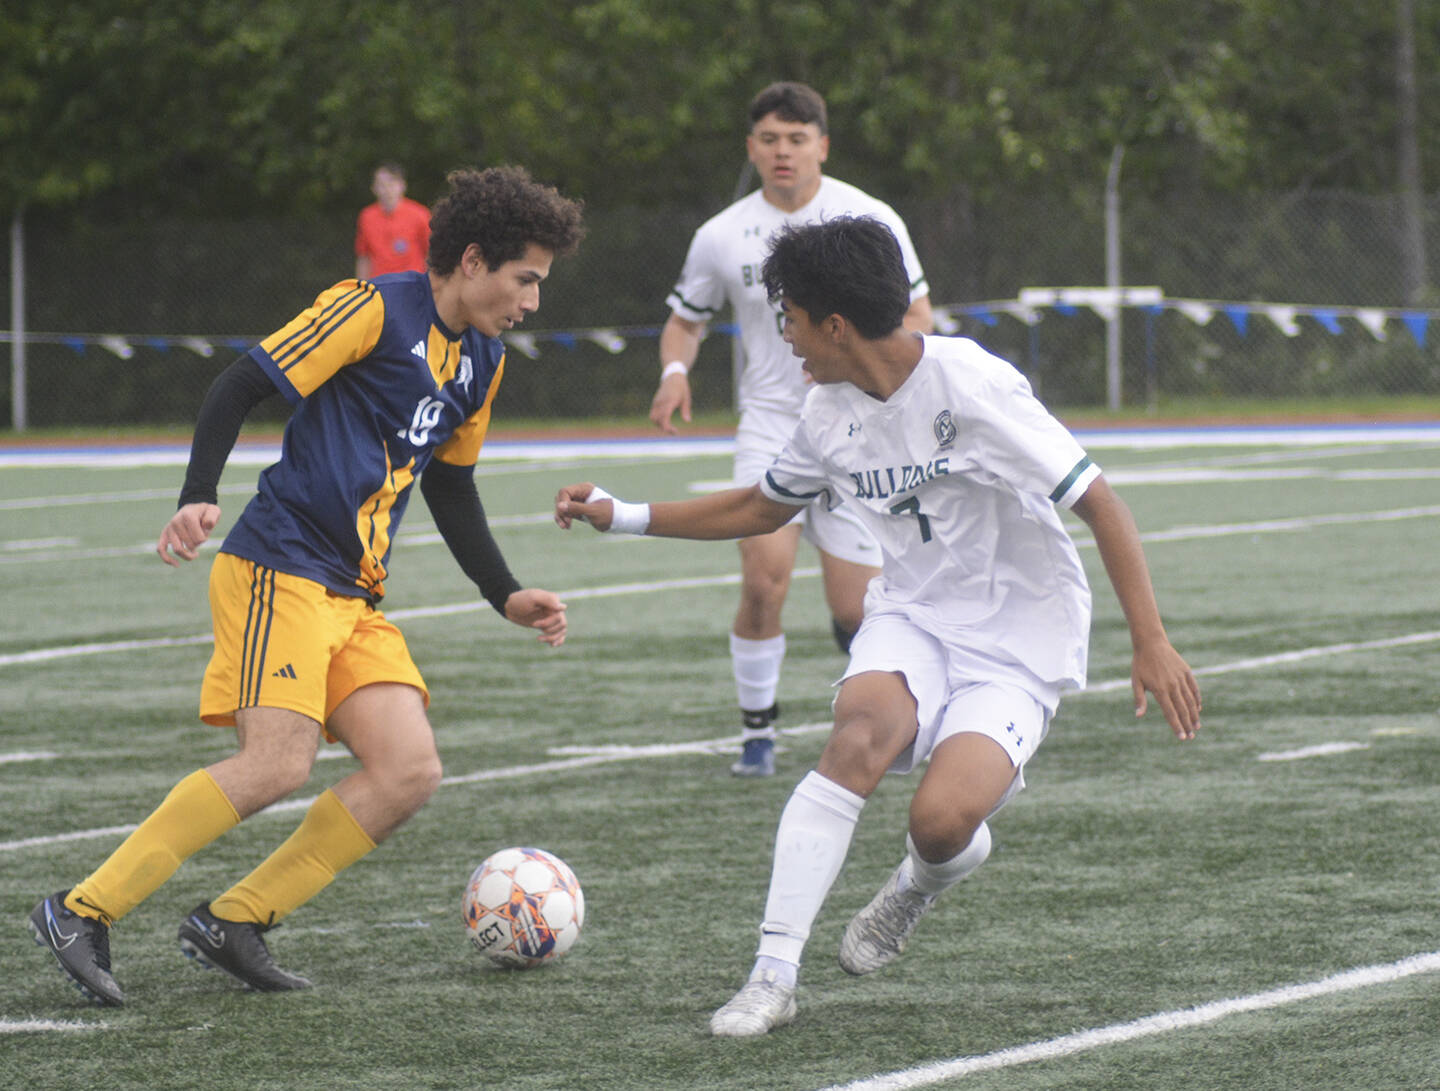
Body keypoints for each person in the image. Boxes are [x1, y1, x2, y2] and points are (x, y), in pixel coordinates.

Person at [556, 216, 1201, 1037]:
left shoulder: (972, 385)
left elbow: (1100, 501)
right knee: (858, 733)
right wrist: (623, 514)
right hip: (914, 615)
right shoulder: (826, 413)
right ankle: (771, 974)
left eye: (788, 317)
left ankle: (917, 885)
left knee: (939, 824)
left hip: (1019, 636)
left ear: (834, 323)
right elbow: (760, 506)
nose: (782, 336)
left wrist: (1151, 640)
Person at [28, 166, 585, 1008]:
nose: (533, 302)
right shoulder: (369, 307)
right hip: (279, 565)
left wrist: (504, 591)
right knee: (277, 762)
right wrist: (197, 494)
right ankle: (81, 909)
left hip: (352, 596)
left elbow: (452, 486)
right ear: (473, 261)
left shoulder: (485, 362)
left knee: (408, 768)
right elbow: (241, 383)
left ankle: (237, 920)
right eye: (526, 280)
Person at [650, 81, 934, 777]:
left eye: (797, 139)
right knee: (764, 577)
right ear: (752, 147)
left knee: (856, 606)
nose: (783, 152)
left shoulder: (869, 218)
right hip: (773, 423)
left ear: (822, 146)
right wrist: (674, 372)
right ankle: (758, 733)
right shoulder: (720, 234)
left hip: (856, 427)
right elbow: (687, 319)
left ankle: (889, 714)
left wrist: (870, 372)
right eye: (770, 139)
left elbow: (919, 316)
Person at [355, 161, 432, 278]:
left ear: (402, 185)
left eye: (391, 183)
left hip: (411, 286)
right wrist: (361, 288)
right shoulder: (367, 216)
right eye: (381, 184)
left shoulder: (420, 214)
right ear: (374, 188)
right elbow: (364, 257)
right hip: (379, 287)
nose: (386, 189)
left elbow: (431, 254)